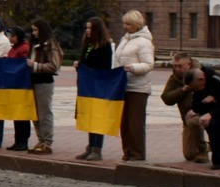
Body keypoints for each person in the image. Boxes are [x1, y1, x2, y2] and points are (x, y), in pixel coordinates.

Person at [112, 11, 155, 161]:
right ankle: (127, 152)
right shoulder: (125, 40)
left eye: (128, 24)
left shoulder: (144, 42)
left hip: (138, 88)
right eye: (124, 23)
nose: (125, 26)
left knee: (135, 124)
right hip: (123, 86)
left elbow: (149, 64)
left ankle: (137, 153)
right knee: (124, 123)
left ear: (136, 24)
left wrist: (133, 68)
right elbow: (117, 61)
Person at [75, 16, 114, 161]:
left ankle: (97, 148)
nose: (87, 30)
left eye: (90, 28)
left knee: (98, 117)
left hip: (98, 86)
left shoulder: (105, 46)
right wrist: (79, 65)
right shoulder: (88, 44)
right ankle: (90, 146)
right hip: (87, 86)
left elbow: (105, 67)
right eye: (87, 28)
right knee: (89, 117)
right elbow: (85, 61)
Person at [161, 52, 209, 163]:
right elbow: (166, 98)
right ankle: (210, 146)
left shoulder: (202, 73)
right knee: (189, 154)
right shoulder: (175, 78)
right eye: (175, 66)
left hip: (206, 114)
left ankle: (203, 151)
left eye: (180, 66)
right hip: (187, 118)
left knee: (195, 122)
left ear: (189, 64)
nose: (177, 69)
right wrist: (182, 90)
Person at [27, 19, 61, 154]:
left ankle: (47, 141)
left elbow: (54, 65)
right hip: (33, 81)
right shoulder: (34, 44)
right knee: (35, 114)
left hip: (44, 82)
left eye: (36, 30)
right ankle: (40, 140)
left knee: (44, 112)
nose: (34, 33)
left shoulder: (50, 44)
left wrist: (34, 65)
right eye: (32, 30)